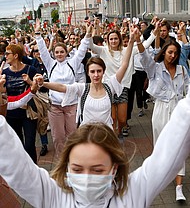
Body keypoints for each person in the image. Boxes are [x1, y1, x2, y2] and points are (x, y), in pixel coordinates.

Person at [1, 83, 190, 207]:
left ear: (114, 168)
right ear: (66, 167)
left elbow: (168, 156)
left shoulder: (132, 194)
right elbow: (18, 169)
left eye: (98, 170)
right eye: (77, 169)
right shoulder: (53, 196)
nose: (87, 178)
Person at [34, 26, 137, 129]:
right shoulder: (82, 88)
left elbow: (124, 64)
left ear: (103, 72)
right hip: (88, 136)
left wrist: (131, 40)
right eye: (92, 71)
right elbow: (62, 87)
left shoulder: (110, 86)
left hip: (105, 136)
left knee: (121, 120)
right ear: (88, 73)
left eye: (99, 71)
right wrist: (44, 83)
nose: (96, 75)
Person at [136, 33, 189, 201]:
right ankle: (157, 179)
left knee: (180, 146)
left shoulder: (182, 69)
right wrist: (138, 40)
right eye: (170, 52)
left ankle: (179, 187)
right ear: (164, 52)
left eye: (175, 53)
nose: (172, 56)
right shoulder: (155, 68)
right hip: (160, 109)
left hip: (178, 109)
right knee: (160, 146)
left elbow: (188, 90)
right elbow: (143, 56)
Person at [34, 18, 92, 158]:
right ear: (53, 53)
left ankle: (73, 158)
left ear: (66, 52)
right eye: (57, 52)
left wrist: (88, 34)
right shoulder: (50, 64)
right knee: (58, 137)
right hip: (55, 106)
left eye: (62, 52)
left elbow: (82, 49)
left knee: (72, 135)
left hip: (71, 105)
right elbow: (42, 50)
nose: (59, 54)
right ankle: (62, 161)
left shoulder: (73, 63)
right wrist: (37, 33)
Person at [2, 44, 38, 163]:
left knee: (29, 144)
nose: (5, 56)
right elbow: (4, 94)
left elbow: (40, 88)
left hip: (28, 112)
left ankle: (34, 170)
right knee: (18, 145)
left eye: (8, 54)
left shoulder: (30, 70)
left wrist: (29, 81)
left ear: (16, 55)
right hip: (11, 113)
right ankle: (23, 171)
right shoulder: (5, 73)